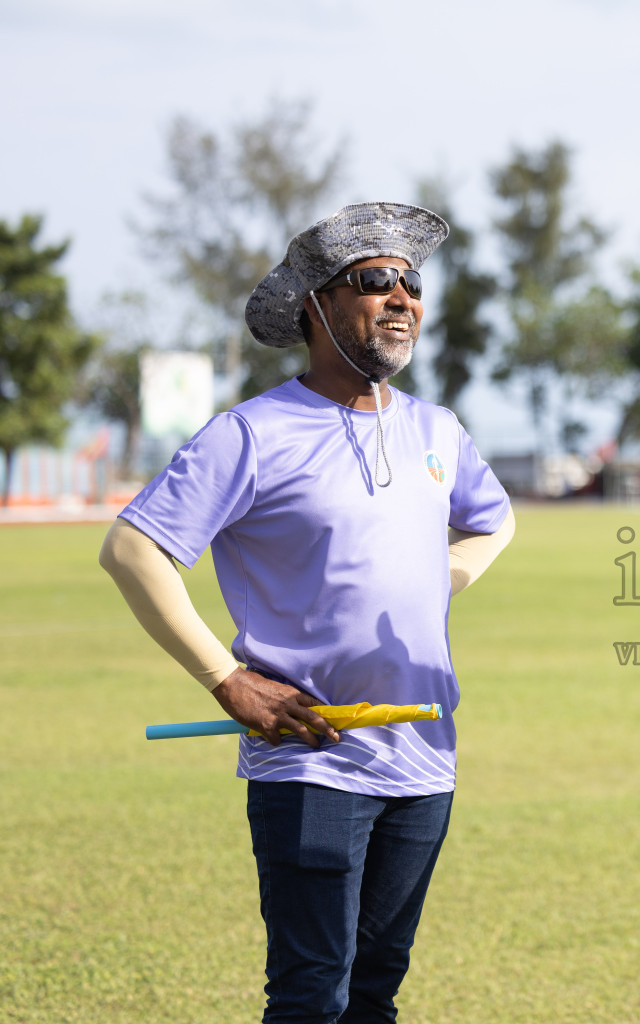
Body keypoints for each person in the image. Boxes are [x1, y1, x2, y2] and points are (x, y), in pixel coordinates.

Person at [99, 202, 514, 1023]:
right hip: (311, 761)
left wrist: (439, 584)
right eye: (375, 281)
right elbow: (133, 551)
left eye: (413, 284)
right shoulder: (250, 435)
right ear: (315, 306)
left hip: (425, 760)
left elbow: (493, 520)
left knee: (374, 994)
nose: (403, 299)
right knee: (311, 996)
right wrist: (226, 680)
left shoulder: (439, 428)